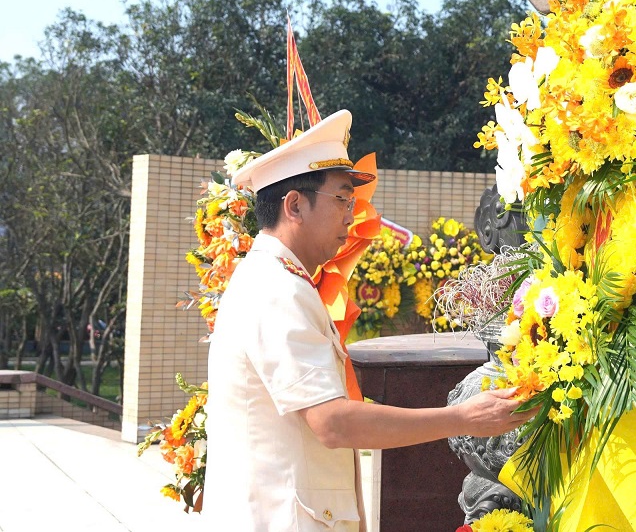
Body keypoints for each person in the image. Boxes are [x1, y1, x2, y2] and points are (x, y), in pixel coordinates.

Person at [203, 110, 533, 531]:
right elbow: (332, 422)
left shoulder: (279, 280)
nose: (351, 215)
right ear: (294, 205)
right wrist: (465, 418)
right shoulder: (276, 290)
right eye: (342, 199)